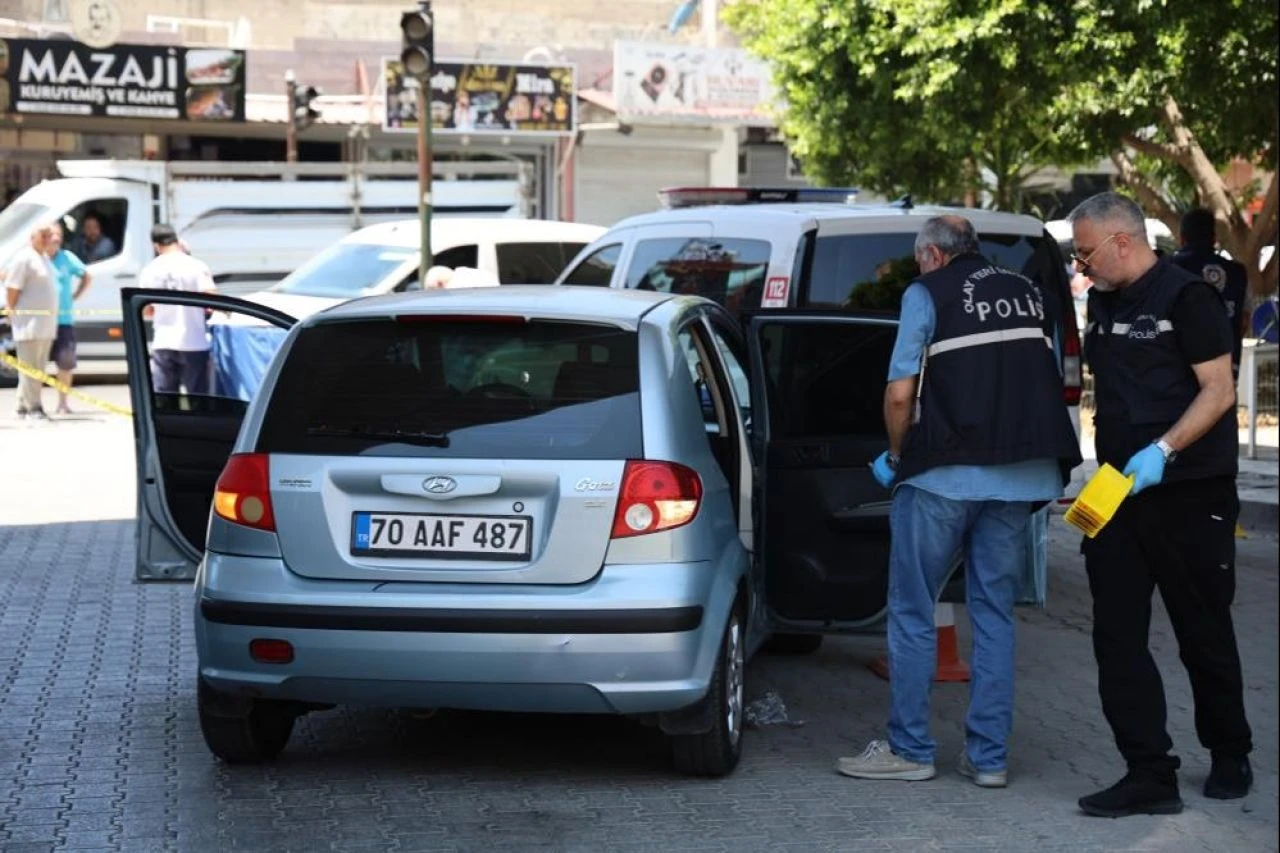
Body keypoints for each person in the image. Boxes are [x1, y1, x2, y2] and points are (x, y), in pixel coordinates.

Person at [836, 216, 1081, 788]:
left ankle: (910, 750)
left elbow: (901, 394)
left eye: (919, 259)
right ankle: (989, 760)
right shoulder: (1030, 293)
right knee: (994, 615)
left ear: (934, 256)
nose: (919, 268)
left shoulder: (927, 293)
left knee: (914, 609)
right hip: (1020, 477)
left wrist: (897, 459)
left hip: (944, 475)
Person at [1068, 192, 1251, 817]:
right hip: (1118, 492)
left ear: (1123, 241)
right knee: (1116, 636)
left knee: (1203, 631)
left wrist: (1165, 451)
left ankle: (1231, 752)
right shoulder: (1101, 300)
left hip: (1188, 490)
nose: (1081, 266)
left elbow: (1219, 390)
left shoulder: (1186, 298)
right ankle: (1149, 772)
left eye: (1086, 252)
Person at [139, 223, 217, 395]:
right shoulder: (196, 266)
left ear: (156, 245)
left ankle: (169, 423)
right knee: (199, 400)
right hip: (194, 341)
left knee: (166, 400)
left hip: (163, 342)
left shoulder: (150, 270)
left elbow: (147, 310)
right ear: (177, 240)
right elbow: (212, 301)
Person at [1172, 208, 1248, 379]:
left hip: (1178, 376)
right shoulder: (1238, 273)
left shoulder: (1166, 269)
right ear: (1214, 238)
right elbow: (1244, 321)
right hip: (1226, 372)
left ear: (1182, 239)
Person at [4, 223, 58, 419]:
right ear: (32, 237)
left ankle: (21, 406)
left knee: (39, 366)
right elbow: (13, 287)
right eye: (42, 235)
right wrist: (11, 310)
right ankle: (34, 408)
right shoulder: (24, 258)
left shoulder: (44, 258)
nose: (46, 239)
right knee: (30, 368)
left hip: (45, 324)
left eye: (48, 235)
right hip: (29, 323)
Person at [46, 221, 91, 414]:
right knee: (36, 365)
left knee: (65, 364)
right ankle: (34, 405)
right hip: (42, 321)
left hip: (63, 321)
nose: (57, 238)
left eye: (59, 235)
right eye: (53, 234)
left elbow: (86, 275)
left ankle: (62, 403)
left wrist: (76, 296)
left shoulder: (67, 257)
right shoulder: (38, 258)